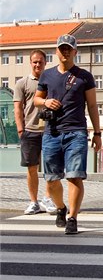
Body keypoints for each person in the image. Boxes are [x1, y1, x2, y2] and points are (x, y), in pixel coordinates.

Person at [34, 34, 102, 234]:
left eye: (68, 49)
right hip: (52, 132)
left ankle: (72, 217)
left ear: (75, 52)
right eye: (61, 48)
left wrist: (97, 133)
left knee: (74, 177)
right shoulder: (47, 75)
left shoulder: (84, 76)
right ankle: (61, 208)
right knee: (51, 179)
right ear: (56, 51)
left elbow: (92, 105)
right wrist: (45, 102)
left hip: (76, 132)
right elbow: (37, 99)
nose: (65, 52)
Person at [14, 49, 57, 215]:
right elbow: (17, 108)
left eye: (40, 61)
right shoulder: (22, 83)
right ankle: (33, 202)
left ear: (46, 63)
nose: (38, 64)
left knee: (50, 167)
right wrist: (20, 130)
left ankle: (47, 198)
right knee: (32, 168)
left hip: (50, 130)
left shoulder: (52, 82)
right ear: (30, 63)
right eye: (35, 62)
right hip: (30, 131)